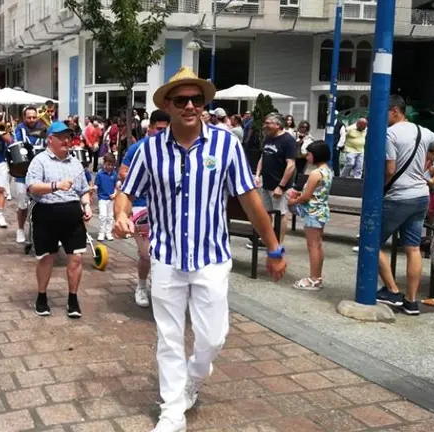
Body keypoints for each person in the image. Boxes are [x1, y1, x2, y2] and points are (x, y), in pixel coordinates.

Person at [114, 67, 286, 432]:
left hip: (211, 257)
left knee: (212, 337)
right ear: (168, 106)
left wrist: (274, 247)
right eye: (182, 100)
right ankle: (172, 409)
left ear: (204, 104)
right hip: (166, 257)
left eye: (197, 99)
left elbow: (250, 199)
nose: (190, 106)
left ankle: (193, 378)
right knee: (169, 337)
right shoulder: (148, 150)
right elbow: (126, 192)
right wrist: (120, 214)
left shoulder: (226, 145)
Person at [376, 95, 434, 316]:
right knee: (413, 248)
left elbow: (389, 169)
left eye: (383, 112)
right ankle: (411, 302)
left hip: (398, 197)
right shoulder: (423, 131)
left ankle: (392, 290)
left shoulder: (390, 134)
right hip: (421, 196)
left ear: (395, 110)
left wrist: (380, 189)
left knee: (371, 242)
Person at [26, 121, 93, 318]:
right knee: (47, 258)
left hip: (72, 214)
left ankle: (73, 299)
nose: (66, 140)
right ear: (50, 139)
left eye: (68, 137)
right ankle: (41, 296)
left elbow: (83, 190)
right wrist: (55, 185)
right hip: (46, 212)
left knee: (77, 257)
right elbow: (32, 187)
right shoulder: (39, 161)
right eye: (62, 137)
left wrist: (87, 204)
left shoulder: (75, 162)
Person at [119, 109, 171, 308]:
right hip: (141, 205)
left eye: (165, 129)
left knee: (165, 254)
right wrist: (143, 179)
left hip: (165, 209)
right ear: (149, 128)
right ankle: (141, 286)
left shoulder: (173, 148)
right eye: (158, 129)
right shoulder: (138, 148)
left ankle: (162, 289)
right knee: (147, 253)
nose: (162, 133)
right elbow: (123, 172)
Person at [287, 141, 333, 290]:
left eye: (309, 154)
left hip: (312, 212)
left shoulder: (315, 173)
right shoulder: (328, 171)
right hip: (321, 210)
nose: (307, 157)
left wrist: (293, 200)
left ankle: (313, 278)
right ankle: (317, 277)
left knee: (312, 246)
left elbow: (306, 196)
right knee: (318, 245)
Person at [253, 113, 297, 246]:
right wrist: (257, 174)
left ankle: (279, 242)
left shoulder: (288, 140)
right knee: (266, 213)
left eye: (268, 123)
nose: (265, 126)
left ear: (277, 125)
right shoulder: (268, 138)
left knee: (281, 214)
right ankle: (267, 239)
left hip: (280, 186)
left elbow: (291, 165)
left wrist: (281, 186)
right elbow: (263, 157)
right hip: (266, 183)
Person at [13, 106, 45, 244]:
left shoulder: (44, 128)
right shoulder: (19, 129)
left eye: (34, 117)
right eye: (29, 117)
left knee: (43, 204)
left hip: (40, 173)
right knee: (23, 205)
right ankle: (20, 229)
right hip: (22, 172)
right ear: (24, 117)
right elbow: (16, 145)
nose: (31, 120)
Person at [94, 153, 119, 241]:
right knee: (103, 216)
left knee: (110, 216)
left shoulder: (114, 174)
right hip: (102, 199)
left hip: (111, 199)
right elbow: (96, 185)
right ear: (104, 163)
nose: (110, 167)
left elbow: (116, 186)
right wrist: (93, 189)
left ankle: (108, 232)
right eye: (108, 164)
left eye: (112, 165)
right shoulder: (100, 174)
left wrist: (115, 193)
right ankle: (101, 232)